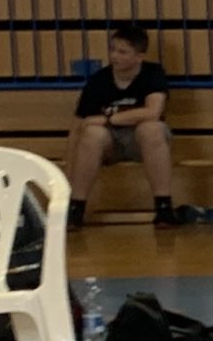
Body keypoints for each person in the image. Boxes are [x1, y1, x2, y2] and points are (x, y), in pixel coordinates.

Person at [63, 22, 175, 230]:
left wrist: (110, 119)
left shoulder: (153, 73)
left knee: (152, 128)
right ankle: (75, 208)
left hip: (140, 142)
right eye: (113, 50)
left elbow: (152, 112)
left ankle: (164, 207)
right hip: (109, 144)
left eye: (122, 52)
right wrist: (67, 174)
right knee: (91, 133)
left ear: (139, 56)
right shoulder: (99, 80)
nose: (115, 56)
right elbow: (79, 126)